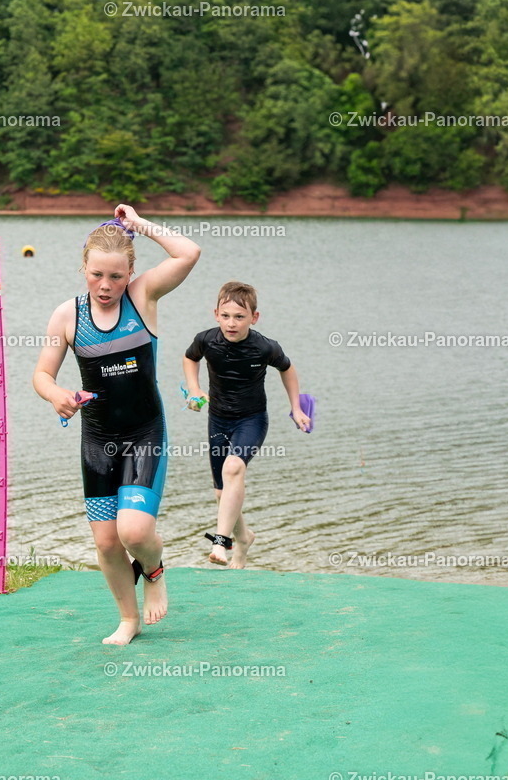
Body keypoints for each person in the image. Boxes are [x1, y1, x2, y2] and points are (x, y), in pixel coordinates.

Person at [33, 204, 199, 644]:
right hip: (98, 438)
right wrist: (58, 396)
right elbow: (41, 375)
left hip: (144, 432)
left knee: (134, 531)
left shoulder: (143, 298)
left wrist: (139, 225)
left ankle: (155, 570)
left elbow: (188, 252)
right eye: (96, 275)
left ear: (131, 273)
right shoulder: (67, 316)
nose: (105, 286)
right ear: (83, 268)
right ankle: (128, 619)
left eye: (116, 276)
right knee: (107, 544)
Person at [182, 280, 311, 569]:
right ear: (216, 314)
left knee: (234, 468)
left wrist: (296, 408)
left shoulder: (265, 347)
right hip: (217, 418)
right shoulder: (206, 340)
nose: (232, 323)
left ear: (254, 317)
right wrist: (194, 389)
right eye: (226, 316)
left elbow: (287, 369)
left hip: (251, 419)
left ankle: (221, 541)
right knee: (221, 492)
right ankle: (244, 538)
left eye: (240, 317)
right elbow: (190, 359)